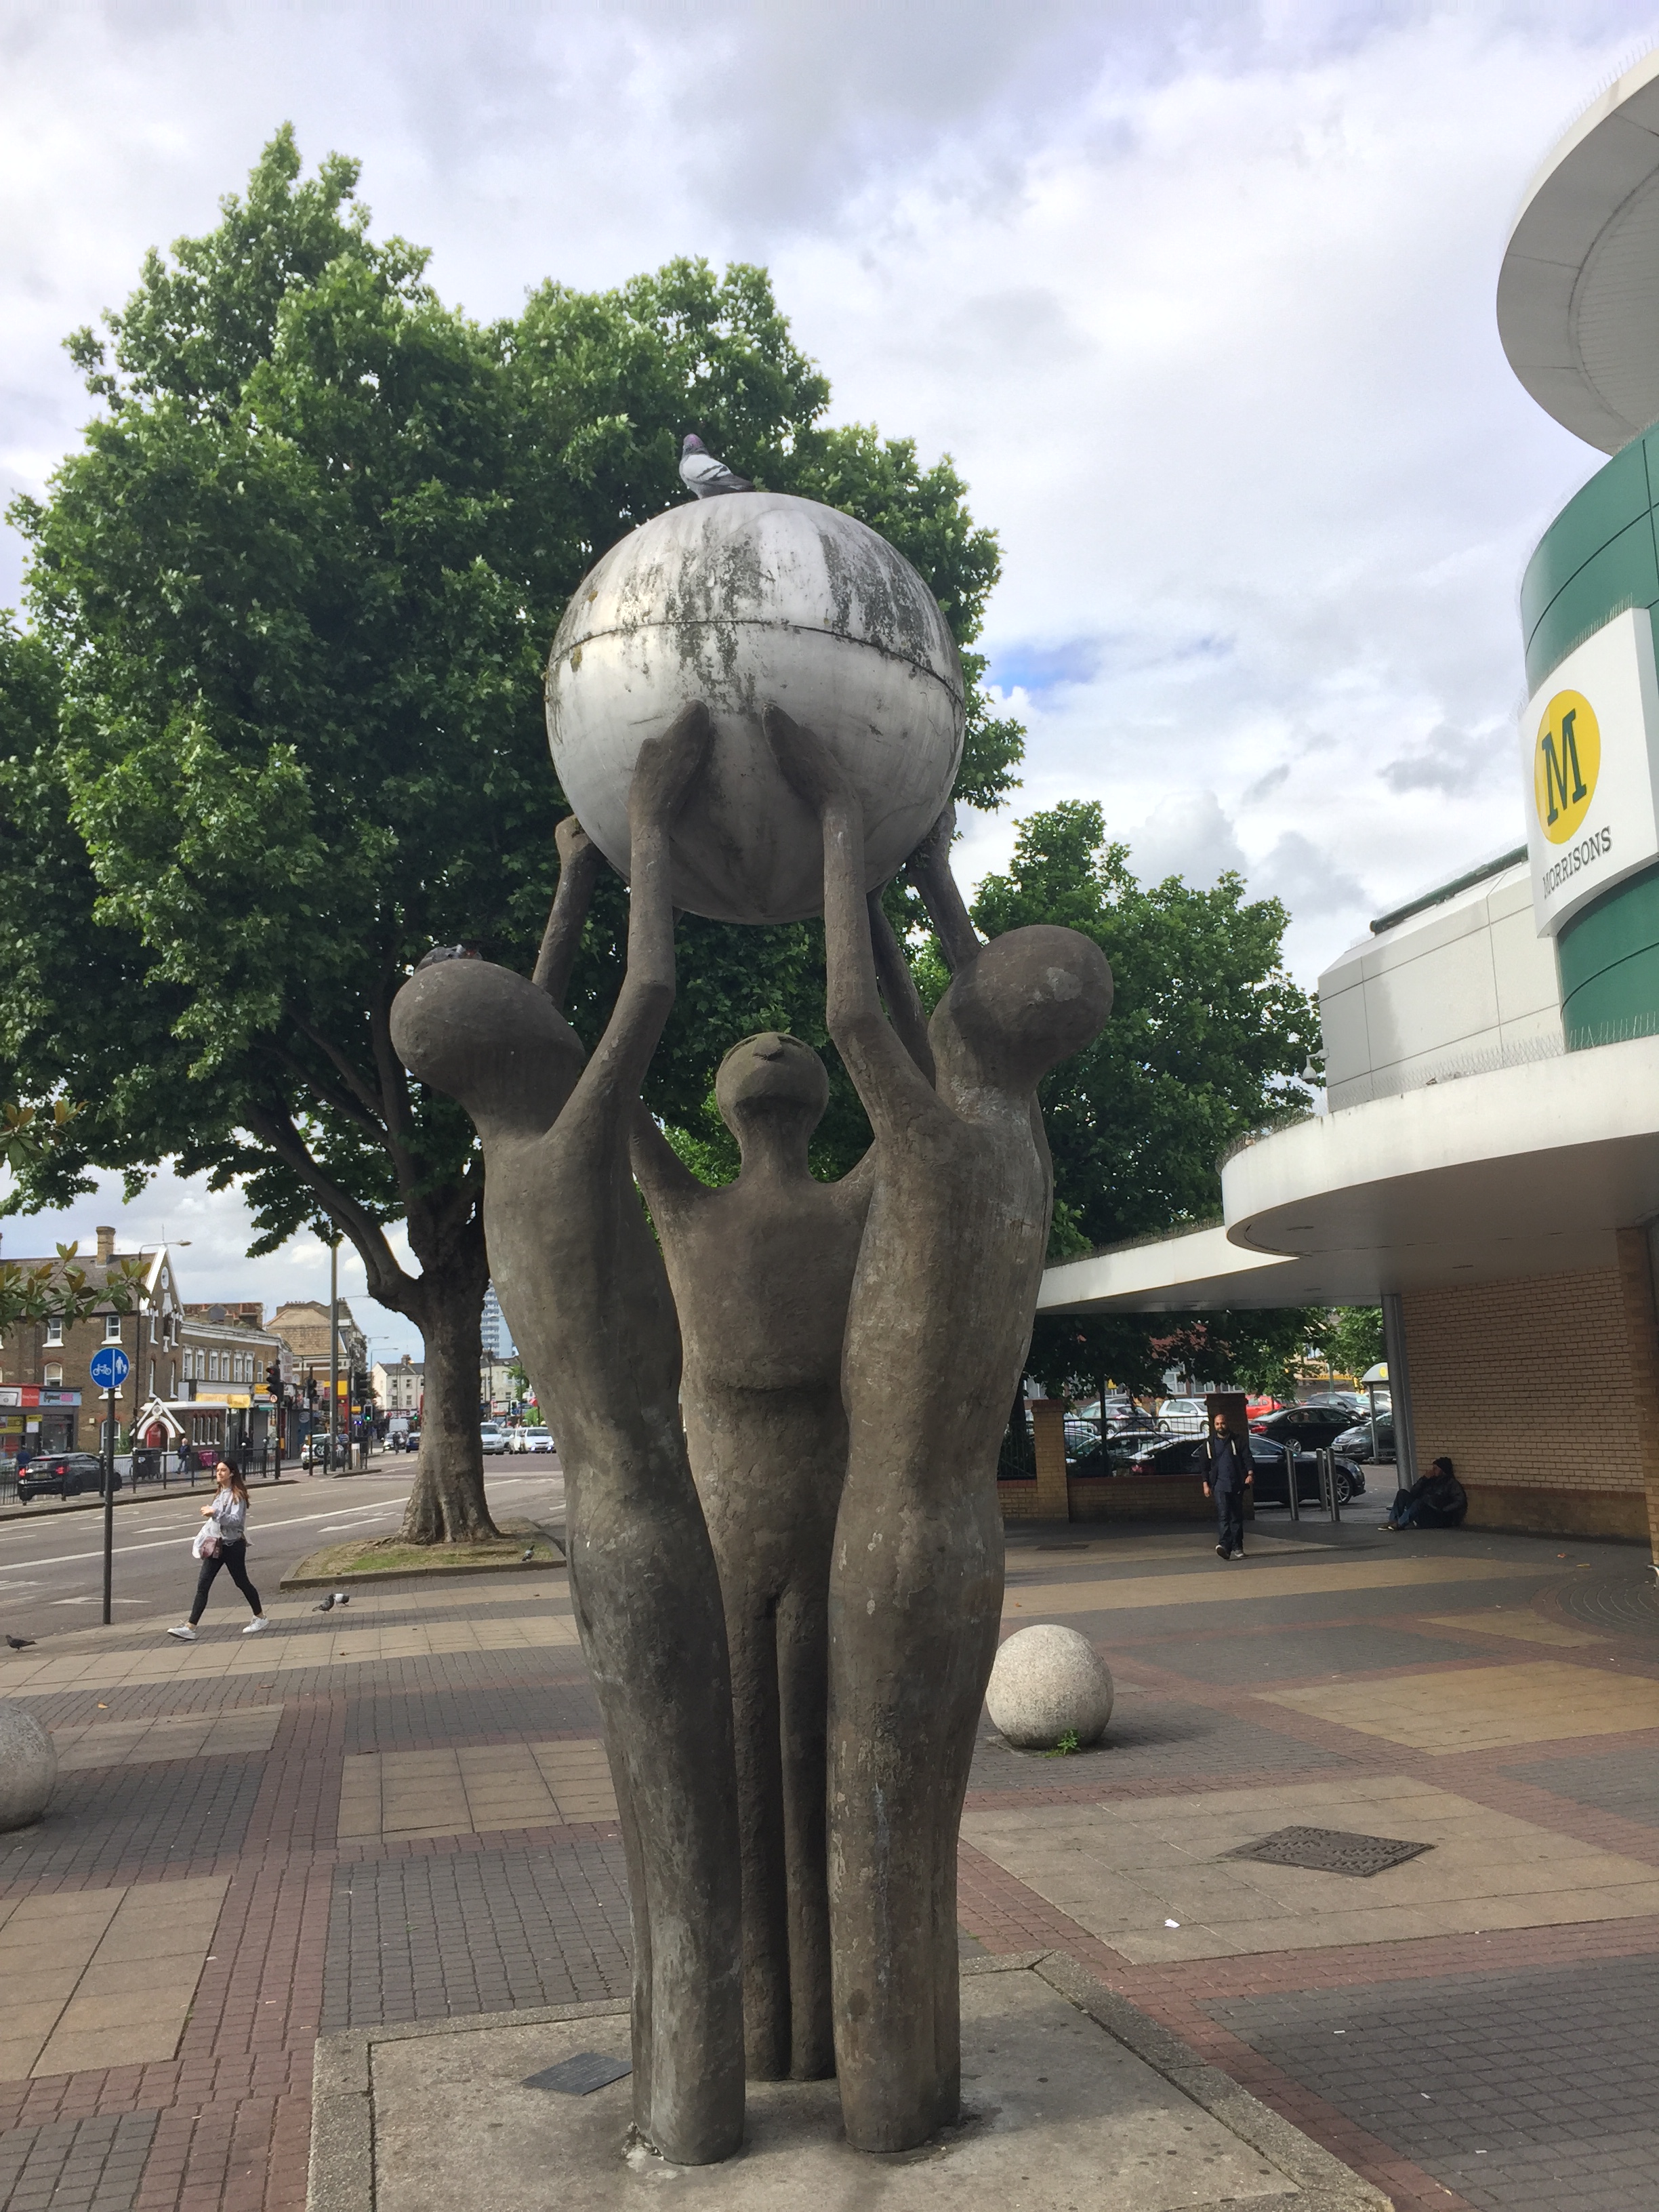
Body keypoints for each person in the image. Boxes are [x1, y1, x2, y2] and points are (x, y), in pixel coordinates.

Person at [167, 1461, 268, 1639]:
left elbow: (236, 1521)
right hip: (216, 1546)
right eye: (218, 1470)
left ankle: (260, 1617)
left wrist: (214, 1513)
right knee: (203, 1585)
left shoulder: (238, 1496)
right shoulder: (219, 1494)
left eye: (223, 1470)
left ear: (232, 1473)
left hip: (233, 1546)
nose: (219, 1473)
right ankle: (190, 1627)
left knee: (242, 1582)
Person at [1202, 1410, 1252, 1560]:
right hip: (1219, 1486)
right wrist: (1206, 1484)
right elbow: (1204, 1466)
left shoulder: (1238, 1440)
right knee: (1223, 1516)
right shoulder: (1209, 1444)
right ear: (1214, 1425)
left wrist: (1250, 1474)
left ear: (1227, 1423)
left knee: (1236, 1517)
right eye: (1217, 1424)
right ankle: (1224, 1546)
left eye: (1222, 1423)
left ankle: (1238, 1546)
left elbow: (1247, 1457)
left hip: (1236, 1484)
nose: (1220, 1426)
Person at [1385, 1454, 1466, 1530]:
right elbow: (1413, 1492)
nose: (1433, 1471)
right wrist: (1424, 1479)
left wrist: (1444, 1509)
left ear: (1443, 1470)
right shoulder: (1430, 1480)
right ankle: (1392, 1521)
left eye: (1436, 1469)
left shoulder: (1451, 1483)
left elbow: (1460, 1500)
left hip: (1437, 1514)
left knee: (1419, 1503)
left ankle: (1399, 1524)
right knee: (1402, 1493)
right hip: (1424, 1511)